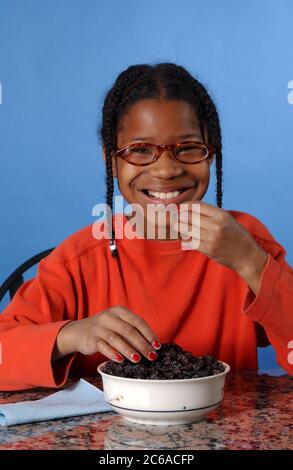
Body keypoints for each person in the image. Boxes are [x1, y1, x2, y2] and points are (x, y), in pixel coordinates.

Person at [0, 63, 292, 391]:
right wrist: (74, 334)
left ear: (211, 152)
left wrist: (251, 263)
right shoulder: (80, 259)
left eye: (187, 148)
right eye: (140, 150)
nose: (166, 170)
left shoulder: (244, 241)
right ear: (111, 160)